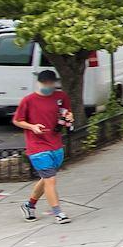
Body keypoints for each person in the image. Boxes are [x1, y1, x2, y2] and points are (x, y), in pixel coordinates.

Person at [12, 69, 75, 223]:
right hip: (37, 145)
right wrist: (32, 126)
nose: (47, 86)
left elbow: (67, 113)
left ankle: (29, 205)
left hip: (55, 143)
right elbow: (17, 120)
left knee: (47, 179)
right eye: (44, 83)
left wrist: (69, 117)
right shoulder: (28, 100)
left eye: (50, 84)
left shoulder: (61, 97)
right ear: (39, 83)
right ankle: (58, 213)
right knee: (50, 180)